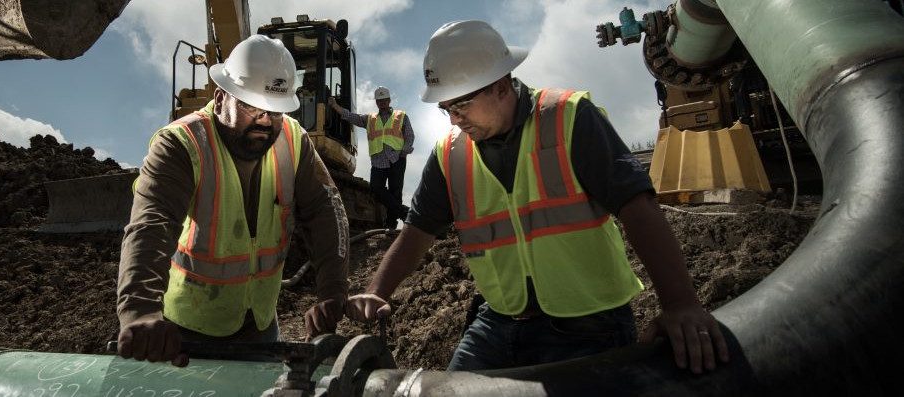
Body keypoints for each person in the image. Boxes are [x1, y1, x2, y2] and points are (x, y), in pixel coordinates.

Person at [345, 20, 730, 374]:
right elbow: (417, 231)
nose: (454, 119)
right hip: (499, 320)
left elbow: (637, 205)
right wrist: (376, 291)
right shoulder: (451, 153)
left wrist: (680, 304)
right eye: (446, 107)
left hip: (590, 323)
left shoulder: (569, 118)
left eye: (461, 104)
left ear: (501, 84)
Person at [116, 35, 349, 367]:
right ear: (220, 95)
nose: (264, 120)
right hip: (184, 334)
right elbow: (151, 224)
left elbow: (327, 209)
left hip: (260, 327)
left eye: (274, 110)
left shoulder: (294, 141)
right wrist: (140, 311)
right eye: (250, 106)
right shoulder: (181, 144)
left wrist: (333, 291)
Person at [328, 86, 414, 228]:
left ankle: (391, 225)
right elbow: (351, 117)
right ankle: (407, 214)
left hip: (396, 159)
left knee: (395, 192)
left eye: (384, 100)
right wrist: (335, 106)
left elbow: (409, 135)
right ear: (376, 102)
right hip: (378, 160)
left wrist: (404, 152)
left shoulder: (401, 116)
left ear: (389, 100)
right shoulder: (370, 119)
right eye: (379, 100)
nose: (382, 102)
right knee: (376, 188)